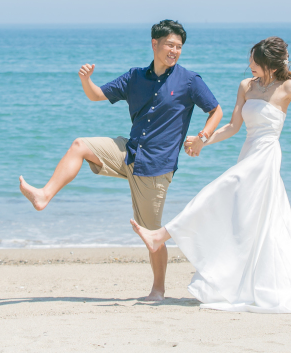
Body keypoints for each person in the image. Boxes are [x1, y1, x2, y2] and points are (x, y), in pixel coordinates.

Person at [130, 36, 291, 312]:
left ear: (269, 63)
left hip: (266, 158)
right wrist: (202, 140)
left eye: (255, 62)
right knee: (246, 221)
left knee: (217, 191)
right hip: (248, 154)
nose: (250, 65)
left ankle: (160, 235)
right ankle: (239, 282)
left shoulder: (288, 87)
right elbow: (232, 126)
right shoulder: (246, 86)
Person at [20, 20, 223, 301]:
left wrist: (202, 137)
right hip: (129, 152)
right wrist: (85, 80)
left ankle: (158, 290)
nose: (174, 50)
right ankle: (44, 195)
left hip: (156, 167)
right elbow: (96, 95)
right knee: (80, 145)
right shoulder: (135, 77)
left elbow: (216, 110)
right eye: (169, 45)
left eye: (178, 47)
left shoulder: (189, 81)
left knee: (152, 235)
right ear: (155, 44)